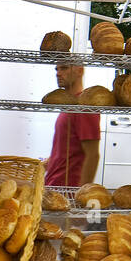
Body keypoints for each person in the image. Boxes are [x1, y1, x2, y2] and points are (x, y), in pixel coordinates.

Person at [42, 34, 100, 187]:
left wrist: (80, 196)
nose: (58, 73)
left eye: (64, 68)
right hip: (55, 185)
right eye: (57, 69)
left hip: (69, 191)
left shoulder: (84, 106)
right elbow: (67, 150)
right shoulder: (69, 104)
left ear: (80, 71)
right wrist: (45, 164)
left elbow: (93, 155)